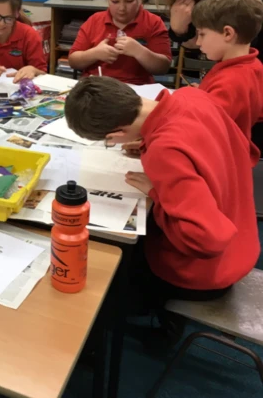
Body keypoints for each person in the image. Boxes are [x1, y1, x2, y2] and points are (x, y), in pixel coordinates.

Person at [64, 77, 259, 325]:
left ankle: (155, 330)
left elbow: (207, 241)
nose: (112, 144)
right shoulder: (191, 96)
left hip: (207, 271)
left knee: (110, 276)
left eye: (108, 141)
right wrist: (148, 140)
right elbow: (245, 148)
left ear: (118, 132)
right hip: (244, 238)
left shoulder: (164, 150)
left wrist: (157, 191)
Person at [192, 0, 263, 167]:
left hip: (218, 162)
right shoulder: (253, 65)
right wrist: (204, 95)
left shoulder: (231, 80)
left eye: (202, 34)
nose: (198, 42)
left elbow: (203, 129)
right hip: (233, 156)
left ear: (227, 33)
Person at [68, 0, 172, 85]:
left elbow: (163, 67)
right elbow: (73, 61)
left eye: (129, 1)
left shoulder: (153, 23)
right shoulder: (95, 21)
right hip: (97, 86)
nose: (122, 8)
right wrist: (94, 53)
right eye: (115, 1)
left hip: (136, 89)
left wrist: (140, 51)